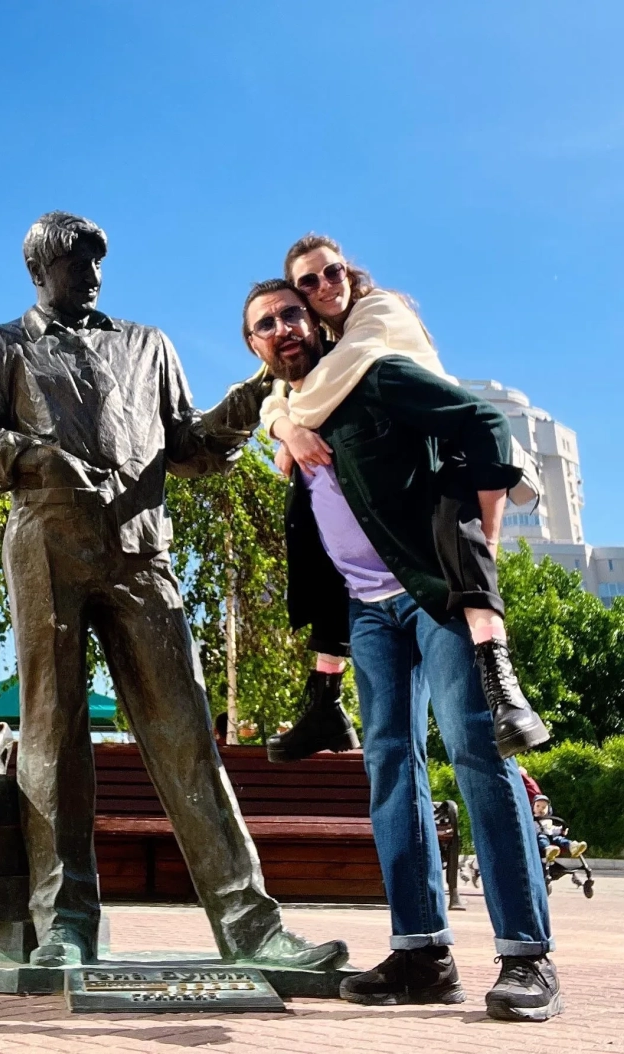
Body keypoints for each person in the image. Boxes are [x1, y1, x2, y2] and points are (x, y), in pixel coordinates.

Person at [0, 210, 343, 974]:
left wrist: (254, 395)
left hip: (140, 551)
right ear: (40, 271)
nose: (93, 275)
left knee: (187, 733)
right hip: (47, 548)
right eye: (77, 263)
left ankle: (251, 928)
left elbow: (188, 446)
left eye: (98, 261)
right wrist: (36, 456)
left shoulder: (147, 345)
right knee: (53, 737)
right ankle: (65, 926)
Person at [242, 278, 560, 1021]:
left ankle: (527, 955)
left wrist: (480, 538)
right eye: (266, 323)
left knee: (477, 750)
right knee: (390, 768)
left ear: (317, 323)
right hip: (367, 615)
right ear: (256, 346)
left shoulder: (371, 374)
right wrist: (280, 428)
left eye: (293, 313)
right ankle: (423, 956)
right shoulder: (292, 410)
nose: (284, 326)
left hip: (433, 595)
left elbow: (483, 423)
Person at [262, 233, 547, 764]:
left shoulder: (374, 320)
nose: (325, 285)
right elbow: (283, 391)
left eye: (333, 272)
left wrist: (286, 423)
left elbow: (314, 386)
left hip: (444, 460)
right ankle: (325, 698)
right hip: (371, 585)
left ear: (348, 271)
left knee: (471, 733)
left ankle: (506, 689)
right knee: (389, 746)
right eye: (309, 281)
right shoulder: (330, 357)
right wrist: (282, 424)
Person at [532, 795, 588, 863]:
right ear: (533, 808)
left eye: (544, 807)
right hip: (539, 839)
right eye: (537, 806)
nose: (540, 809)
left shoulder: (548, 820)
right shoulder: (532, 820)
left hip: (551, 836)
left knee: (560, 839)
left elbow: (552, 829)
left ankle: (573, 846)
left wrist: (561, 830)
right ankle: (548, 849)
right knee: (542, 838)